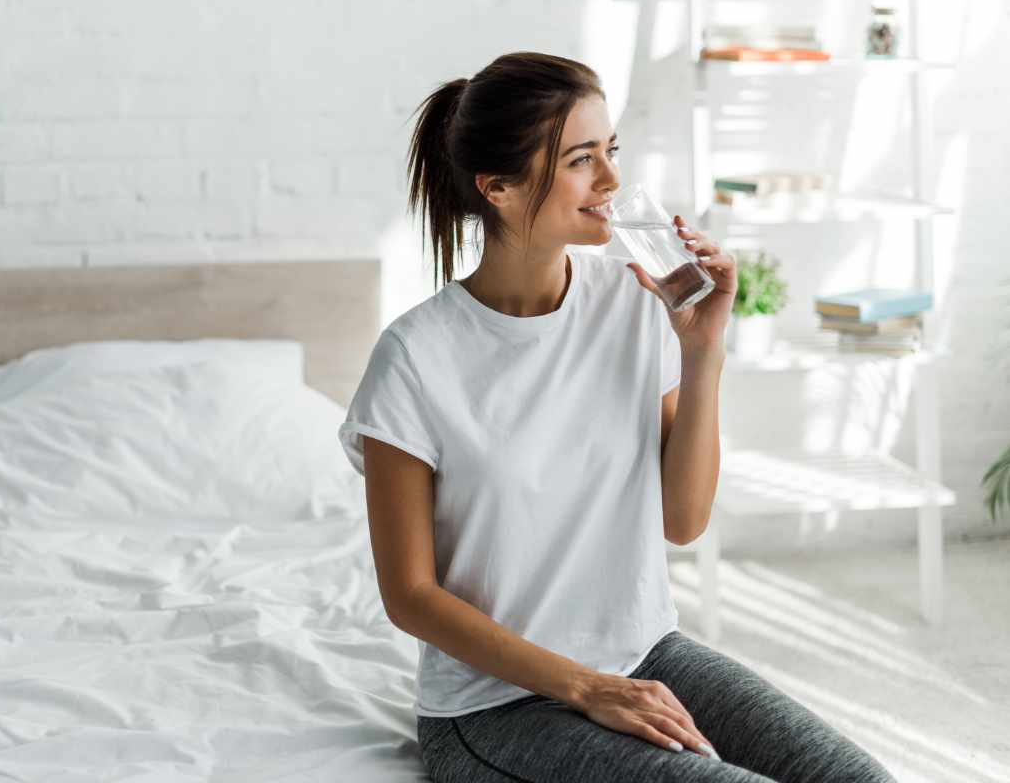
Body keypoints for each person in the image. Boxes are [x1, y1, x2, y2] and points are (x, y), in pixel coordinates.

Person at [336, 52, 897, 782]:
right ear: (497, 188)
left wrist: (702, 354)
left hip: (645, 654)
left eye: (610, 152)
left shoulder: (635, 300)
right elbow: (409, 597)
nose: (609, 181)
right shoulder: (415, 357)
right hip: (492, 709)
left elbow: (682, 519)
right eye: (580, 160)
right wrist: (585, 686)